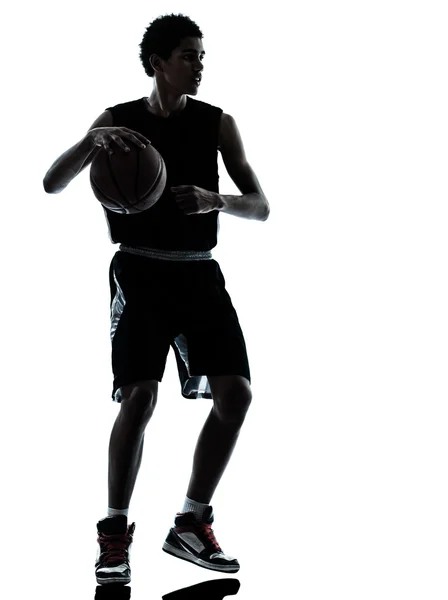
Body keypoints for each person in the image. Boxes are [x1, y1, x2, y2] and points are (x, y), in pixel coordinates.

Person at [43, 13, 270, 586]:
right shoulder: (117, 123)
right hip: (140, 273)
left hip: (199, 273)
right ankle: (114, 535)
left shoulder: (219, 124)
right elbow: (51, 181)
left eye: (201, 56)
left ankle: (190, 523)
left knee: (236, 395)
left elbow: (260, 204)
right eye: (189, 55)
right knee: (141, 398)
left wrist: (215, 200)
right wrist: (89, 143)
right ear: (158, 63)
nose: (199, 65)